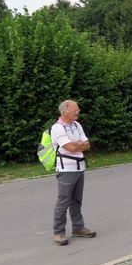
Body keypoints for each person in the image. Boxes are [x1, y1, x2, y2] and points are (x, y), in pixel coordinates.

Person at [51, 100, 95, 246]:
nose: (78, 111)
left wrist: (77, 145)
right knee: (63, 201)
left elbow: (87, 144)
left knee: (77, 200)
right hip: (66, 170)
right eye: (76, 109)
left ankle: (78, 227)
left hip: (79, 167)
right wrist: (78, 144)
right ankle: (58, 232)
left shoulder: (77, 125)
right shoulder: (57, 128)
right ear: (65, 111)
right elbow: (70, 147)